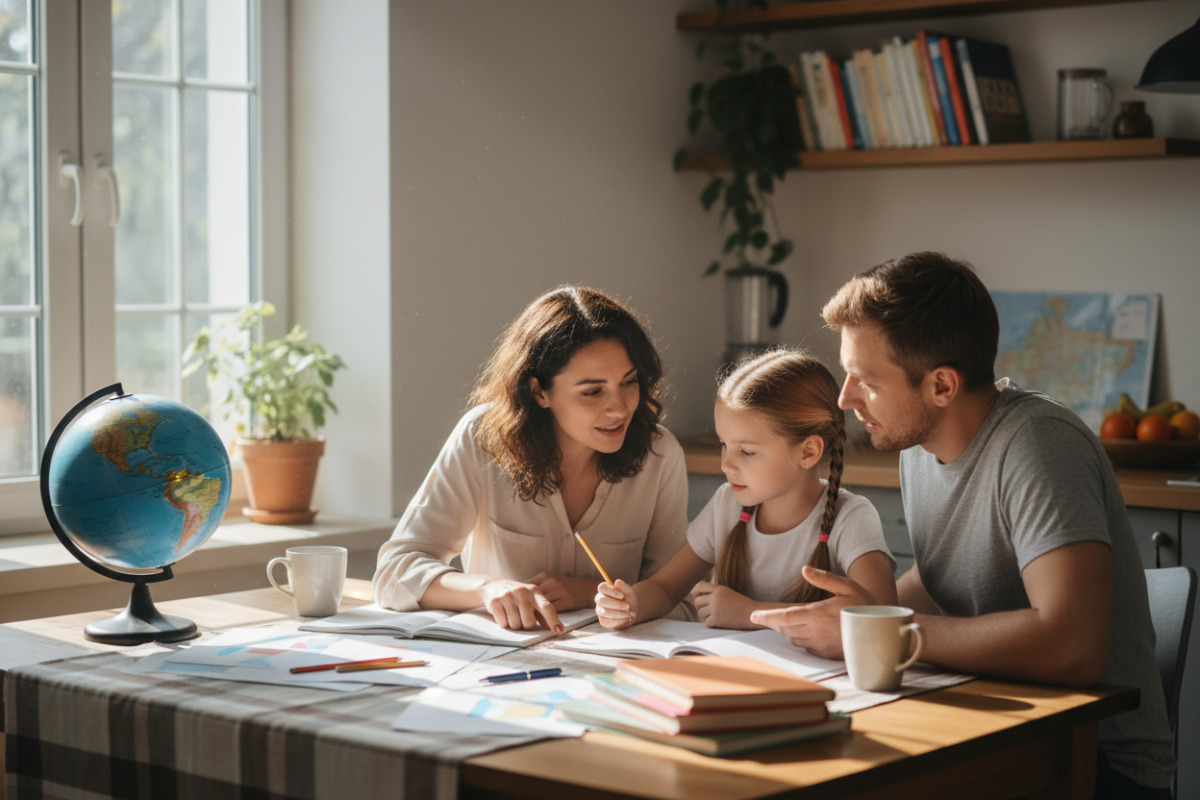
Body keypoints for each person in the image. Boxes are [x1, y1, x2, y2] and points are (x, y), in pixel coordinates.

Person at [751, 252, 1175, 798]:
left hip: (1096, 760)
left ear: (942, 386)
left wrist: (886, 634)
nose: (845, 398)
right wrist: (848, 617)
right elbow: (945, 576)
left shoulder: (1039, 447)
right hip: (1002, 724)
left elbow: (1073, 646)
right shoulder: (919, 445)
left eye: (867, 380)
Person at [372, 286, 693, 633]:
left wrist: (589, 594)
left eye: (629, 382)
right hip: (501, 667)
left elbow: (682, 598)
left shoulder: (659, 454)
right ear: (539, 391)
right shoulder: (483, 439)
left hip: (623, 668)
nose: (619, 407)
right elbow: (395, 571)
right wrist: (486, 588)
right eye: (592, 391)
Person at [594, 348, 896, 631]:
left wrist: (752, 614)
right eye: (724, 445)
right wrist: (630, 604)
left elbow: (883, 618)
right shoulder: (727, 504)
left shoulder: (850, 518)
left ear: (807, 452)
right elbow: (664, 587)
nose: (726, 465)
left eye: (747, 452)